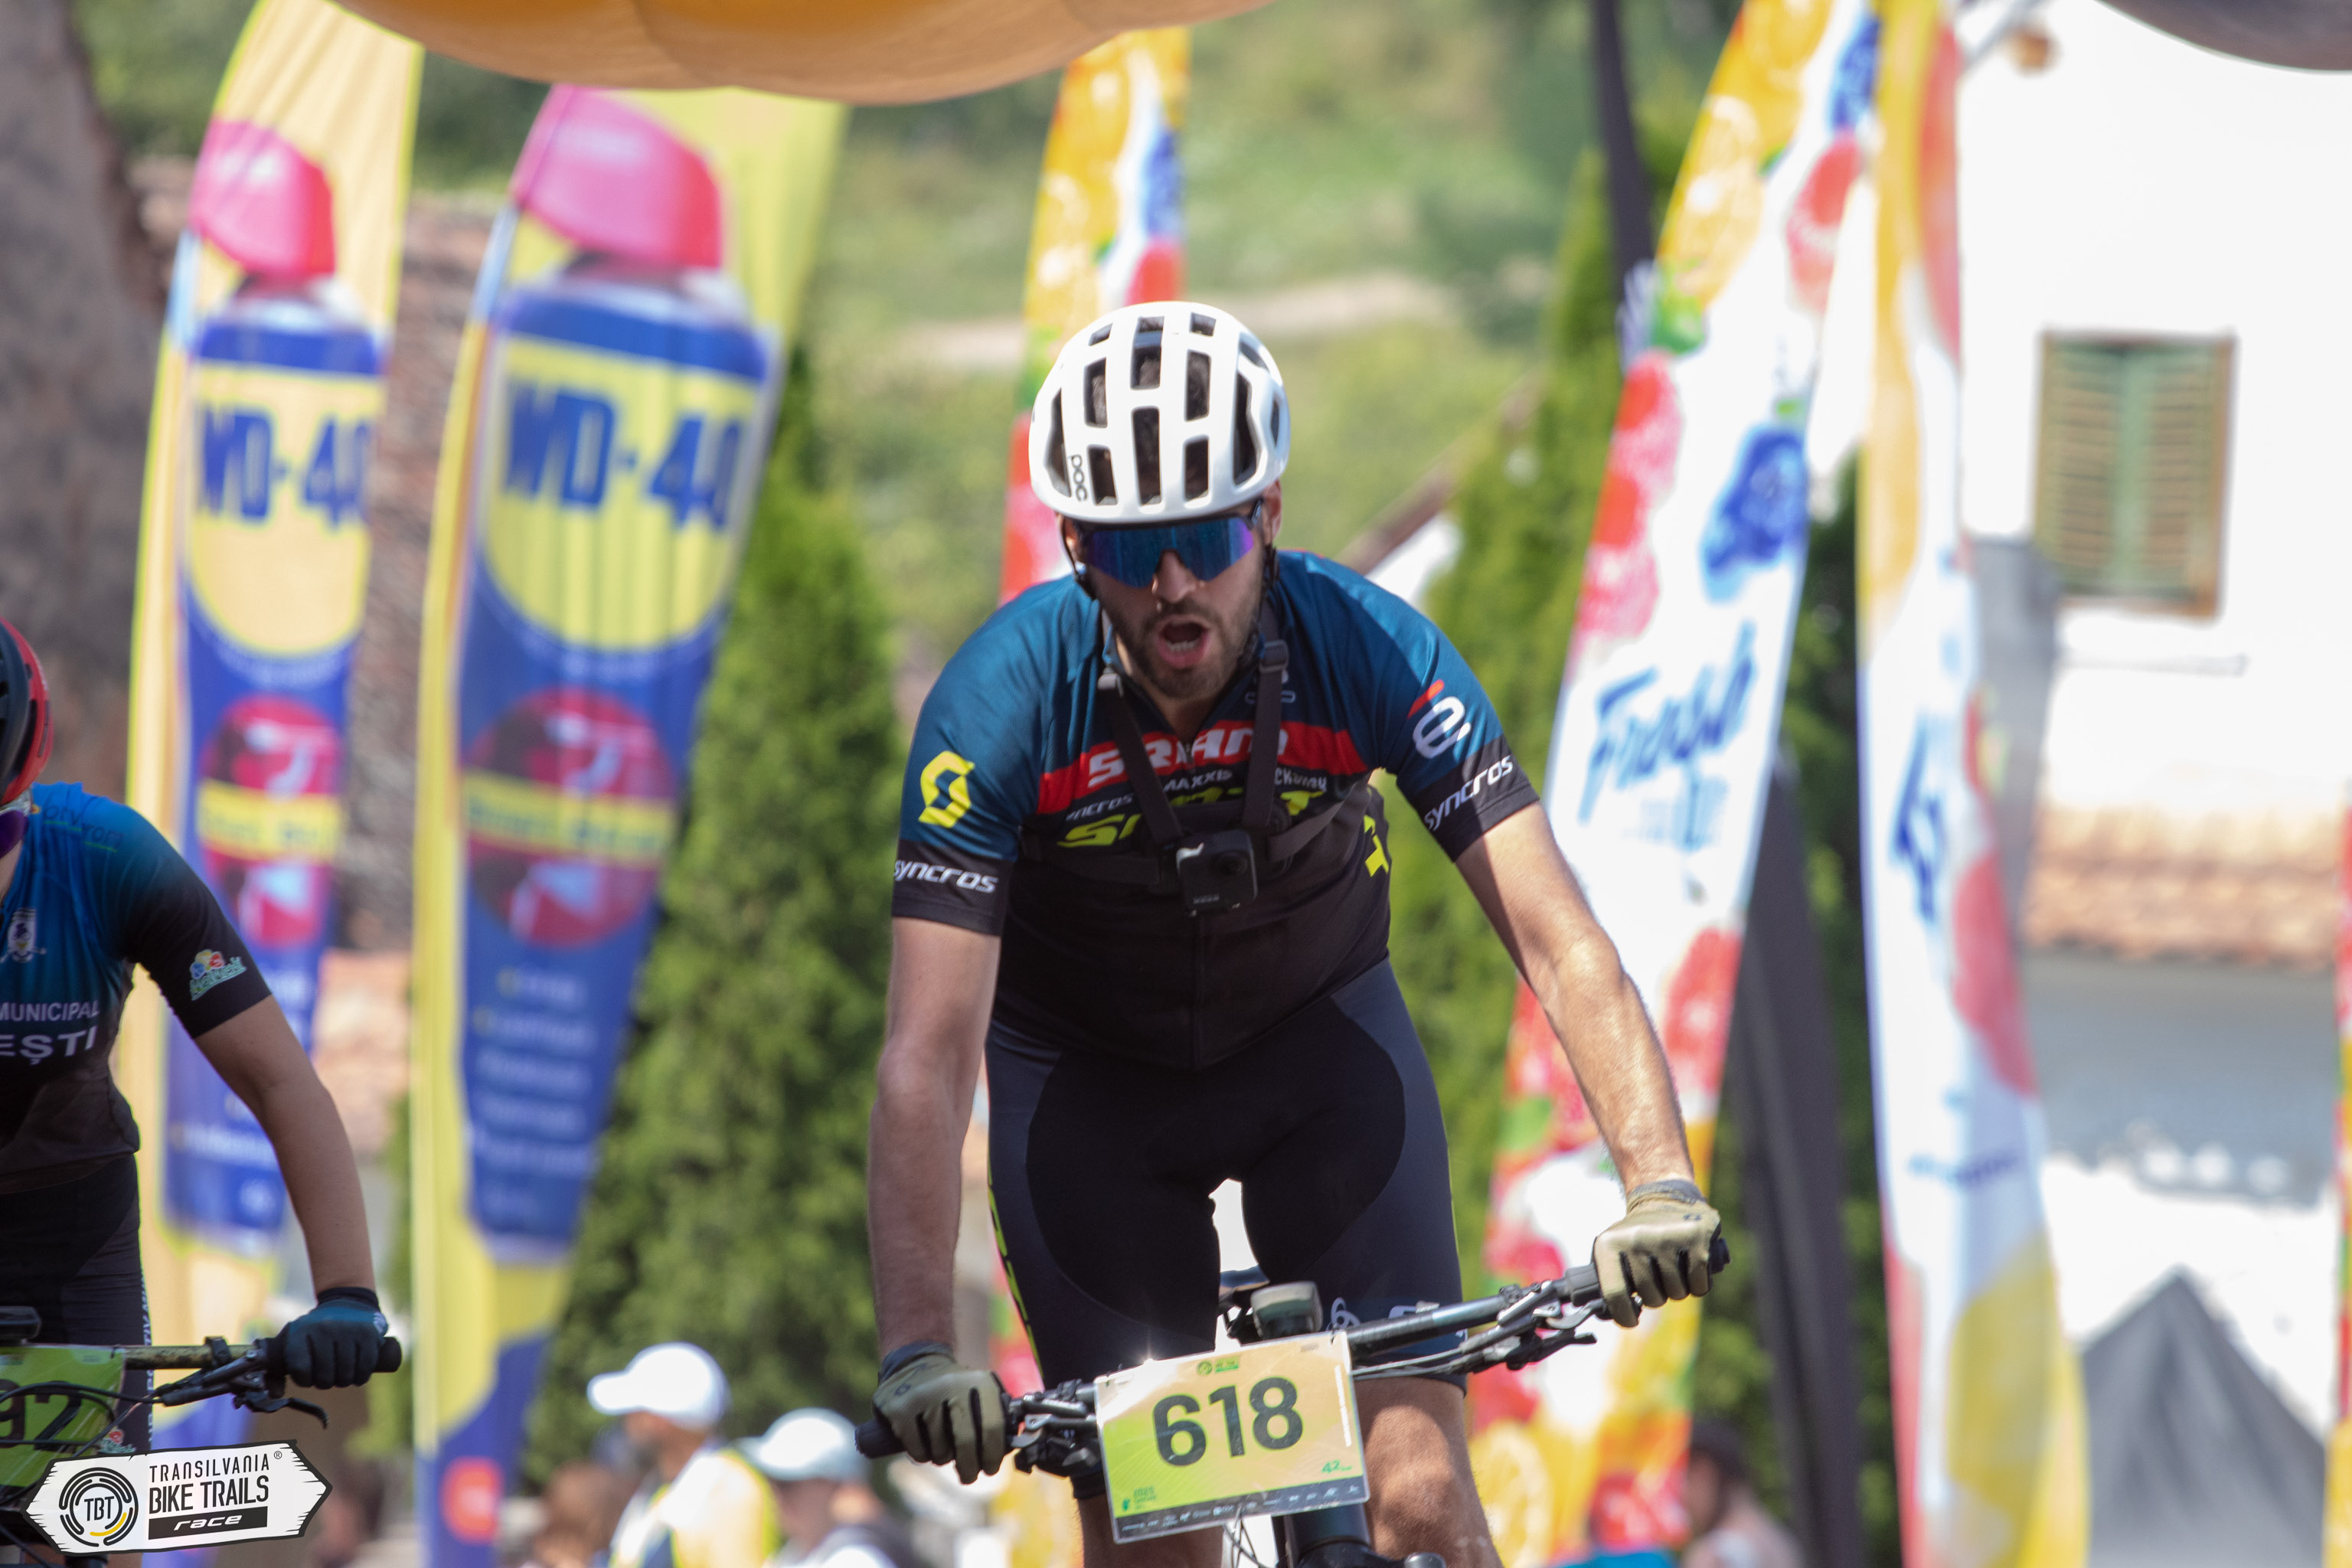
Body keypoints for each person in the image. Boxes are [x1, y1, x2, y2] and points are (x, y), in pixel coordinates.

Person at [866, 302, 1723, 1568]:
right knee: (1161, 1548)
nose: (1171, 584)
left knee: (1418, 1497)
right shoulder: (997, 707)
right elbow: (928, 1053)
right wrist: (919, 1345)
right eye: (1129, 545)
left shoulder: (1366, 647)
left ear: (1266, 514)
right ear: (1075, 545)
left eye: (1205, 537)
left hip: (1321, 1063)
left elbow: (1557, 935)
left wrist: (1656, 1182)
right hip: (1092, 1108)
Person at [0, 616, 387, 1446]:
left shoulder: (106, 860)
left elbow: (277, 1081)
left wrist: (348, 1293)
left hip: (73, 1228)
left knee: (91, 1503)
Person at [593, 1342, 777, 1568]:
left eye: (633, 1413)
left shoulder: (730, 1492)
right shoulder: (662, 1489)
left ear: (658, 1422)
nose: (626, 1425)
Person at [742, 1409, 926, 1568]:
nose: (776, 1494)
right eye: (771, 1481)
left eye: (787, 1483)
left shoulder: (857, 1560)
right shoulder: (796, 1552)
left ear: (832, 1485)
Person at [1680, 1421, 1800, 1568]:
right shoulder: (1779, 1541)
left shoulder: (1712, 1558)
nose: (1683, 1499)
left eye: (1683, 1480)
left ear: (1702, 1473)